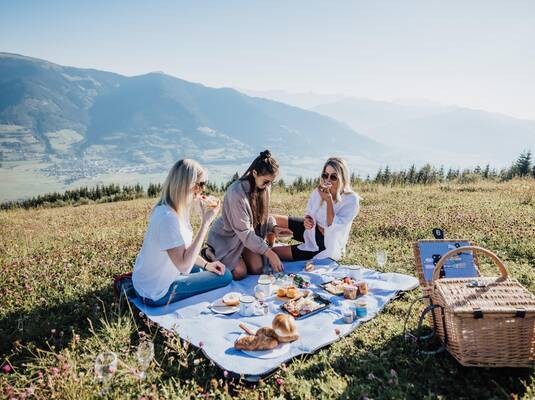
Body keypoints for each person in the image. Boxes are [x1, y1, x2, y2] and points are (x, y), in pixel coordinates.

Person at [132, 159, 232, 307]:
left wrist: (206, 265)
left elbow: (183, 249)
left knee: (212, 269)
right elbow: (184, 266)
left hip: (146, 281)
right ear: (186, 184)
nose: (202, 190)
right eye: (200, 184)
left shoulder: (169, 209)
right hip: (156, 292)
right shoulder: (168, 218)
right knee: (225, 276)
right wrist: (205, 223)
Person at [206, 150, 290, 280]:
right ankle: (209, 253)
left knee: (257, 268)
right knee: (240, 272)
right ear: (254, 173)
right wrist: (270, 253)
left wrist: (274, 228)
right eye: (266, 181)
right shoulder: (236, 193)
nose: (268, 185)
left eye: (271, 182)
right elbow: (244, 232)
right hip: (227, 238)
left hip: (244, 238)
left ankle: (241, 255)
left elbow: (263, 216)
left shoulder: (264, 188)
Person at [272, 157, 360, 261]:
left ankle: (270, 250)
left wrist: (328, 200)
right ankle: (269, 242)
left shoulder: (351, 199)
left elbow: (333, 226)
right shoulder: (319, 190)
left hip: (324, 243)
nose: (328, 180)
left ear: (342, 178)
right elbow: (309, 211)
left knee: (273, 253)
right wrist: (307, 220)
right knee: (272, 219)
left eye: (333, 177)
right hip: (311, 229)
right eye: (325, 175)